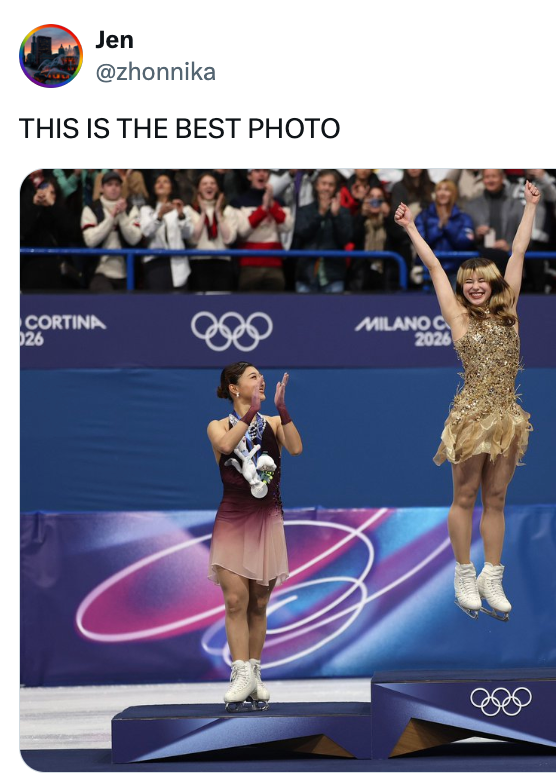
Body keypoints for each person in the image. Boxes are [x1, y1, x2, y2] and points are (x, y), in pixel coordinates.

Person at [393, 181, 540, 622]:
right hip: (472, 415)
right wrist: (411, 230)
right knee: (466, 496)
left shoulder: (510, 309)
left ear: (494, 284)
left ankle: (491, 575)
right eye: (468, 281)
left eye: (482, 280)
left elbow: (517, 253)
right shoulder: (456, 317)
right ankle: (463, 571)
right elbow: (436, 269)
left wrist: (530, 206)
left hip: (509, 417)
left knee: (496, 499)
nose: (475, 286)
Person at [207, 363, 302, 711]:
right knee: (236, 600)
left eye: (261, 376)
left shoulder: (273, 423)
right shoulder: (217, 425)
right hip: (233, 521)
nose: (260, 379)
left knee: (259, 602)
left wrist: (281, 410)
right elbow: (228, 444)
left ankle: (256, 673)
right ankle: (240, 673)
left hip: (268, 521)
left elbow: (295, 449)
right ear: (234, 388)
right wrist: (250, 414)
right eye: (252, 376)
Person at [231, 169, 294, 291]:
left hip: (274, 265)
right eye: (257, 170)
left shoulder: (279, 202)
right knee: (248, 307)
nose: (261, 174)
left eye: (265, 171)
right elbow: (242, 231)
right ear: (249, 176)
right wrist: (264, 208)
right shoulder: (238, 202)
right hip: (249, 266)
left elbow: (287, 226)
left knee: (275, 307)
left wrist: (272, 205)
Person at [81, 170, 143, 292]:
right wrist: (112, 217)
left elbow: (134, 239)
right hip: (99, 272)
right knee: (107, 303)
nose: (114, 188)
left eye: (117, 185)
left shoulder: (131, 209)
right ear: (102, 188)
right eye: (109, 185)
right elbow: (90, 241)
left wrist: (122, 215)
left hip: (127, 273)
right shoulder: (91, 209)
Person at [293, 169, 354, 293]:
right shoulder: (305, 210)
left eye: (331, 185)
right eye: (323, 183)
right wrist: (320, 213)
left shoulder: (343, 212)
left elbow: (345, 239)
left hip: (333, 275)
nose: (326, 188)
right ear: (316, 185)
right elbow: (301, 233)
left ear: (336, 188)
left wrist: (336, 216)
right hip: (306, 274)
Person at [414, 179, 476, 287]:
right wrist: (438, 227)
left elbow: (465, 242)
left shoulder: (463, 218)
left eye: (447, 190)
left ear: (453, 194)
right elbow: (419, 242)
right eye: (439, 189)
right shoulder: (424, 216)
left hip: (457, 272)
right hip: (429, 270)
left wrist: (447, 226)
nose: (442, 193)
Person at [349, 186, 412, 291]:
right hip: (362, 278)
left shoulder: (392, 221)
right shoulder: (359, 219)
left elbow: (400, 239)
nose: (375, 201)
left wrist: (388, 216)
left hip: (387, 279)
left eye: (379, 198)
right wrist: (362, 216)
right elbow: (351, 238)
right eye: (371, 197)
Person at [185, 172, 239, 292]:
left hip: (223, 263)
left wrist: (218, 214)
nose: (209, 186)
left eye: (212, 183)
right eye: (204, 184)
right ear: (198, 188)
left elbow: (229, 239)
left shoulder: (228, 211)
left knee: (221, 304)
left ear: (217, 187)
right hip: (199, 263)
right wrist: (203, 213)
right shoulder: (189, 211)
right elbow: (193, 239)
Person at [139, 172, 192, 291]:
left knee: (179, 304)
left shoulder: (182, 208)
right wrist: (159, 216)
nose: (161, 184)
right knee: (159, 305)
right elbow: (146, 232)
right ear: (153, 188)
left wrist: (181, 216)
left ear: (171, 187)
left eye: (165, 181)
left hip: (178, 263)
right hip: (155, 263)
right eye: (158, 182)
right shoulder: (146, 210)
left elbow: (188, 234)